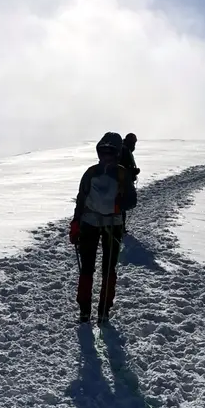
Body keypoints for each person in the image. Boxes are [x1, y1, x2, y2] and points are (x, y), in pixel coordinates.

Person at [70, 132, 138, 323]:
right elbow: (132, 201)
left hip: (89, 224)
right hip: (113, 225)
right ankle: (103, 312)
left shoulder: (90, 172)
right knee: (108, 270)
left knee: (87, 268)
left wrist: (76, 223)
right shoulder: (123, 173)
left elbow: (81, 199)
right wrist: (119, 205)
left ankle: (85, 311)